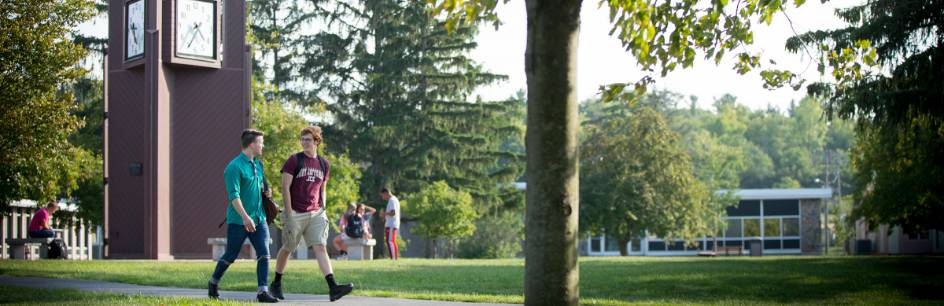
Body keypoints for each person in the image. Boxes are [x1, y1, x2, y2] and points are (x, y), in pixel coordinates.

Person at [270, 126, 353, 302]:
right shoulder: (294, 160)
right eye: (302, 139)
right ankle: (276, 283)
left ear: (316, 141)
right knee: (288, 249)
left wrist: (324, 207)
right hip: (295, 213)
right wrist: (289, 213)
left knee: (320, 247)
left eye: (308, 139)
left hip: (316, 212)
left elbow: (323, 188)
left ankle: (333, 287)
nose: (304, 142)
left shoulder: (324, 164)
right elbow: (285, 187)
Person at [208, 129, 278, 303]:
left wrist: (268, 195)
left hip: (259, 218)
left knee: (264, 254)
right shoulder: (233, 167)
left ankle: (262, 292)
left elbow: (262, 187)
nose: (263, 145)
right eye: (261, 142)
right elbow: (234, 196)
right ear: (252, 144)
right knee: (230, 255)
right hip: (238, 220)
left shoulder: (258, 165)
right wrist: (246, 217)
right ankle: (213, 282)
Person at [380, 188, 400, 260]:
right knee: (390, 241)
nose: (383, 198)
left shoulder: (392, 200)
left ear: (386, 193)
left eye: (383, 195)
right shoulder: (393, 200)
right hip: (391, 224)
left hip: (392, 224)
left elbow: (393, 213)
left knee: (390, 241)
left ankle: (394, 258)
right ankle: (394, 258)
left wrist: (384, 213)